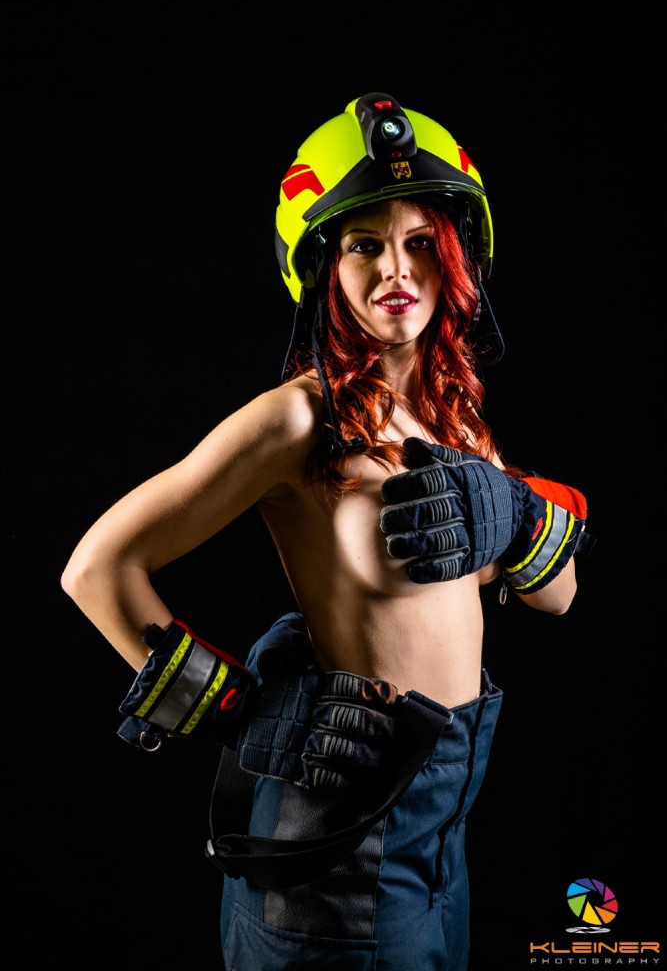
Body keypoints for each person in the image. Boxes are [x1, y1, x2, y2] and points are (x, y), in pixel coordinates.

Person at [61, 92, 590, 971]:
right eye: (363, 245)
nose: (396, 269)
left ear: (456, 254)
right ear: (321, 266)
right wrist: (235, 712)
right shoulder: (297, 420)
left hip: (442, 835)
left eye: (420, 241)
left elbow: (558, 597)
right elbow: (96, 569)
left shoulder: (458, 420)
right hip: (343, 844)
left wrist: (518, 509)